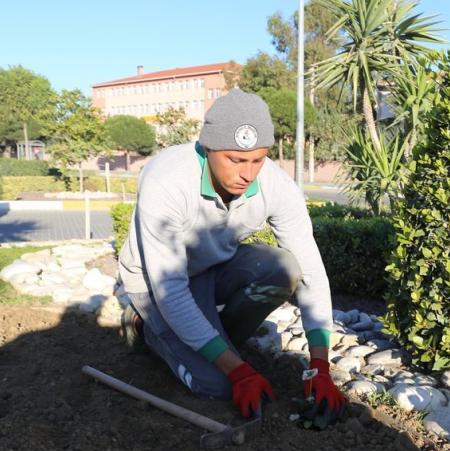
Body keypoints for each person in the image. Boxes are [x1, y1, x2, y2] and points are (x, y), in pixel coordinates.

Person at [118, 89, 346, 421]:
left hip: (214, 266)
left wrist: (320, 366)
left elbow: (311, 271)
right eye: (235, 160)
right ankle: (145, 326)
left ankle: (209, 340)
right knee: (216, 385)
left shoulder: (277, 186)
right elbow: (172, 292)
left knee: (282, 268)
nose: (248, 174)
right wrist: (237, 372)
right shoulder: (166, 181)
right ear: (208, 148)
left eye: (258, 159)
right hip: (157, 287)